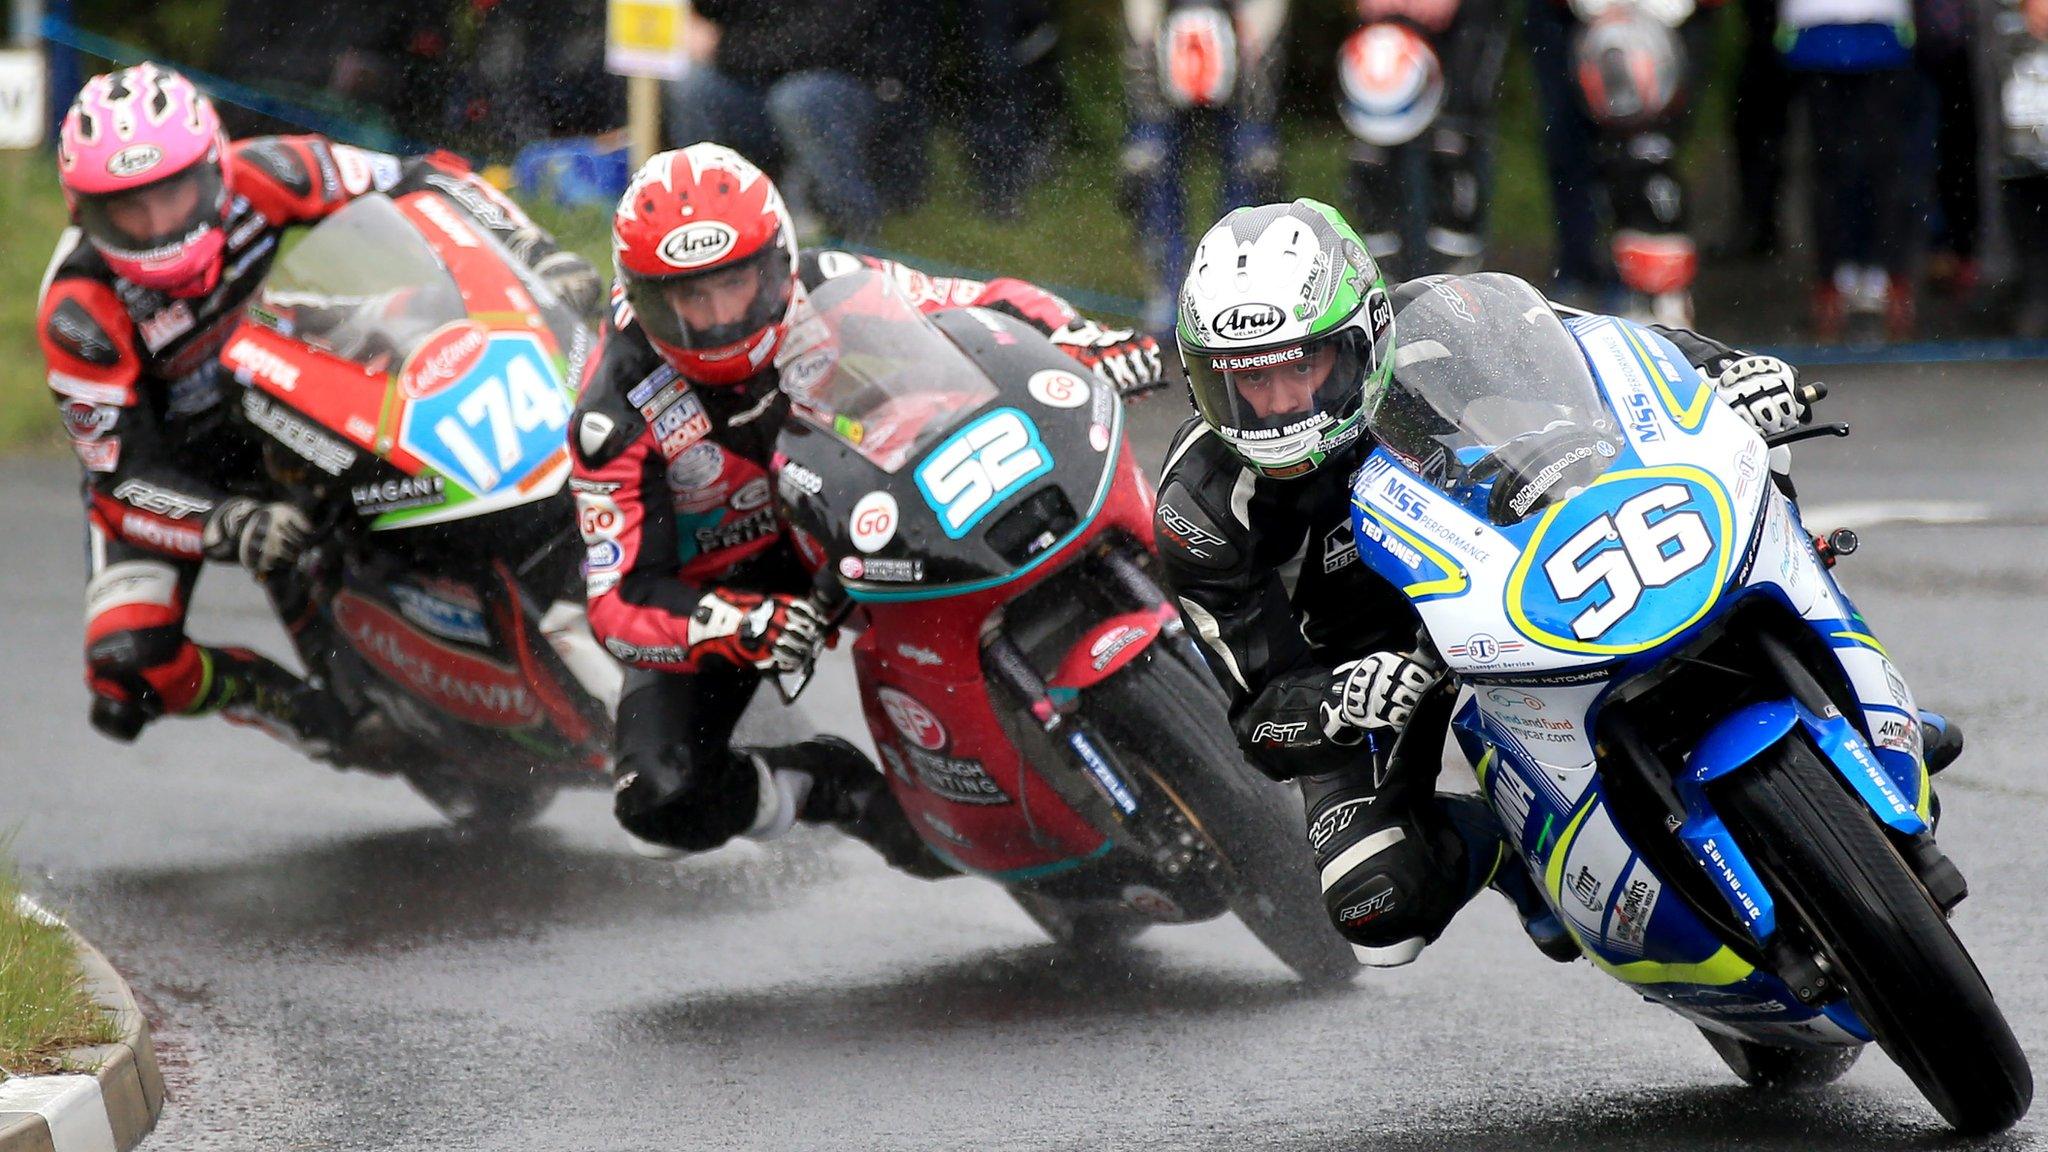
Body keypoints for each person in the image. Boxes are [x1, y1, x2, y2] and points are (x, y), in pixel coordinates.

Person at [1153, 199, 1965, 965]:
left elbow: (1620, 353)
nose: (1279, 403)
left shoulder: (1441, 323)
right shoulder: (1201, 510)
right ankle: (1516, 847)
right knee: (1377, 907)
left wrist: (1732, 373)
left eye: (1304, 365)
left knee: (1754, 450)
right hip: (1380, 667)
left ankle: (1854, 692)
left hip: (1512, 555)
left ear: (1363, 333)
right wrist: (1339, 701)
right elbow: (1260, 716)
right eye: (1246, 381)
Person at [567, 143, 1164, 864]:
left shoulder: (834, 282)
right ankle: (829, 790)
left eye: (737, 285)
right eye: (689, 298)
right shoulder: (612, 414)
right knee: (659, 796)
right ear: (641, 294)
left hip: (866, 505)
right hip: (738, 588)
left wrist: (1081, 340)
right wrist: (729, 623)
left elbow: (982, 307)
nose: (720, 316)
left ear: (780, 262)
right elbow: (617, 597)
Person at [38, 62, 603, 754]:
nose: (160, 228)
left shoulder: (273, 169)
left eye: (176, 194)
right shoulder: (78, 314)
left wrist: (532, 255)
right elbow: (117, 482)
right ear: (83, 211)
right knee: (129, 667)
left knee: (432, 322)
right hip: (179, 469)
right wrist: (227, 521)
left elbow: (426, 177)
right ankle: (295, 708)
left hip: (286, 379)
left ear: (214, 167)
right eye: (128, 209)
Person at [662, 0, 937, 241]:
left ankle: (848, 229)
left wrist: (723, 46)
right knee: (694, 86)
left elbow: (826, 40)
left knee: (798, 99)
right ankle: (712, 217)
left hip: (852, 85)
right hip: (760, 80)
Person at [1119, 0, 1290, 331]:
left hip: (1246, 35)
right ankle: (1167, 290)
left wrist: (1254, 47)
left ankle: (1239, 285)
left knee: (1251, 163)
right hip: (1164, 32)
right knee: (1151, 162)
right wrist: (1148, 44)